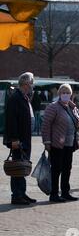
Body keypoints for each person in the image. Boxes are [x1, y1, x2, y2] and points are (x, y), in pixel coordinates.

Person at [41, 84, 79, 203]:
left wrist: (77, 139)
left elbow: (75, 126)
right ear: (59, 94)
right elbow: (46, 125)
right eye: (63, 92)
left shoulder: (72, 107)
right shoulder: (53, 107)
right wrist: (47, 142)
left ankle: (65, 192)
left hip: (69, 143)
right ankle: (54, 194)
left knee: (67, 168)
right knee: (56, 169)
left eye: (67, 92)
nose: (65, 94)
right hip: (57, 144)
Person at [3, 72, 37, 205]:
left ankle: (21, 192)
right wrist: (14, 139)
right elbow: (11, 120)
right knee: (17, 166)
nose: (32, 86)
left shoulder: (24, 97)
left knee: (22, 165)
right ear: (25, 83)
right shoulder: (15, 98)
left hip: (25, 138)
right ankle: (17, 195)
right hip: (18, 140)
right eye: (31, 83)